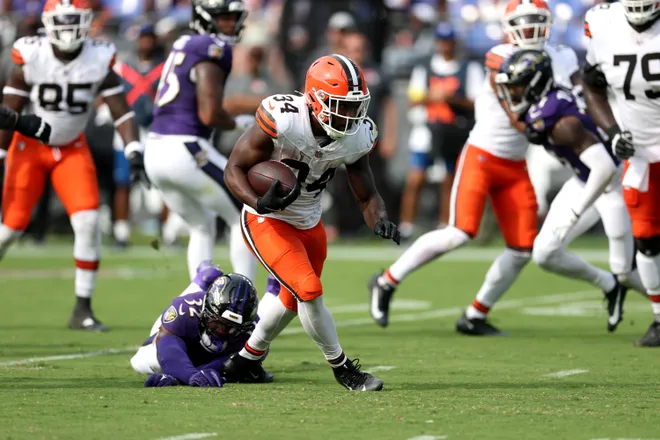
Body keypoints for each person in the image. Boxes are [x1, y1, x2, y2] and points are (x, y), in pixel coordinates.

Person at [368, 0, 589, 334]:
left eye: (536, 21)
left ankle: (475, 315)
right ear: (509, 25)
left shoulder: (563, 55)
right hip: (484, 155)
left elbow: (581, 99)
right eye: (523, 22)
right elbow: (520, 120)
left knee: (521, 249)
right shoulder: (500, 55)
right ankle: (386, 280)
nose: (530, 30)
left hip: (516, 163)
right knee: (459, 232)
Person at [223, 54, 401, 391]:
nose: (350, 115)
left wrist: (379, 219)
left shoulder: (356, 135)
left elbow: (366, 193)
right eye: (341, 106)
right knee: (308, 289)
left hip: (309, 220)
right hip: (267, 218)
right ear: (316, 99)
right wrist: (258, 201)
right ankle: (344, 369)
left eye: (354, 106)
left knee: (290, 301)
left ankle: (246, 360)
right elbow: (233, 169)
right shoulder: (284, 118)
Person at [0, 0, 146, 331]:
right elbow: (9, 110)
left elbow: (121, 110)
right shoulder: (31, 54)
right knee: (9, 230)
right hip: (29, 147)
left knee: (89, 221)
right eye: (62, 22)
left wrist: (134, 148)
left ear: (87, 22)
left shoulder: (98, 57)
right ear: (48, 23)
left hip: (71, 147)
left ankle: (82, 308)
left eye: (73, 21)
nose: (67, 29)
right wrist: (1, 152)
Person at [497, 49, 648, 332]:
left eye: (516, 87)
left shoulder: (561, 120)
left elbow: (603, 168)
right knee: (544, 252)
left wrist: (576, 212)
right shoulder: (546, 107)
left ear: (535, 83)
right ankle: (608, 285)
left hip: (612, 183)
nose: (512, 94)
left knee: (627, 271)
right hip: (584, 180)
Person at [144, 0, 257, 282]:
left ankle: (200, 297)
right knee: (246, 213)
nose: (232, 24)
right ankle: (246, 302)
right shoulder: (212, 47)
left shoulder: (185, 42)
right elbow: (209, 113)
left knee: (202, 224)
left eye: (234, 18)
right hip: (184, 149)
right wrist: (234, 122)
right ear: (206, 18)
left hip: (155, 150)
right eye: (225, 18)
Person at [582, 0, 660, 346]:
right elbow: (592, 85)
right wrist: (613, 132)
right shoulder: (604, 23)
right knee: (645, 239)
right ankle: (659, 319)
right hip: (640, 154)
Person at [399, 22, 483, 239]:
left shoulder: (469, 68)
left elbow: (478, 102)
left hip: (454, 131)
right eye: (442, 41)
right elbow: (414, 99)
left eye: (449, 41)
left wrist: (450, 98)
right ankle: (406, 226)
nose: (445, 45)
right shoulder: (424, 68)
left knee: (449, 178)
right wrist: (432, 96)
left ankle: (446, 224)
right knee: (416, 177)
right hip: (427, 130)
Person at [131, 262, 265, 387]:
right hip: (183, 340)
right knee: (142, 360)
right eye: (217, 323)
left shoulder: (256, 332)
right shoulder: (188, 307)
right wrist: (190, 375)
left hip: (209, 355)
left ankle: (273, 290)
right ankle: (201, 281)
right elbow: (167, 344)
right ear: (206, 310)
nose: (222, 331)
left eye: (233, 328)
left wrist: (179, 377)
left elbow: (228, 366)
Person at [111, 24, 165, 248]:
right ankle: (121, 232)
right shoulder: (123, 67)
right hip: (128, 129)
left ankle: (165, 232)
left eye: (150, 38)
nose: (147, 42)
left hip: (154, 130)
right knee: (123, 181)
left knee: (161, 180)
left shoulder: (164, 66)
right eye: (144, 38)